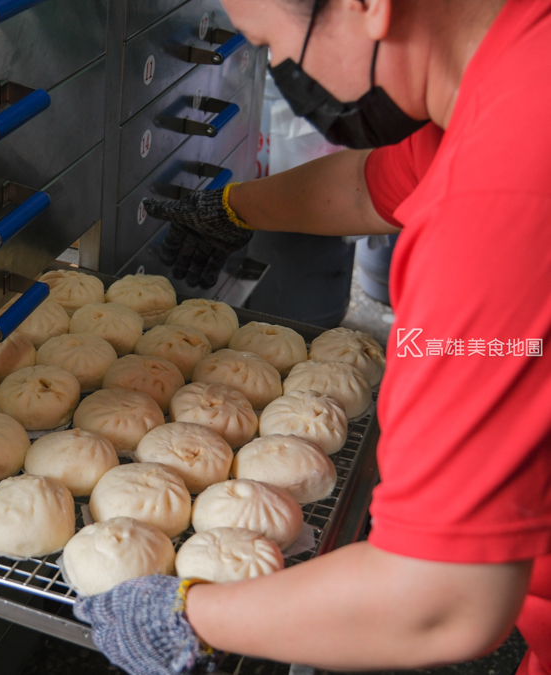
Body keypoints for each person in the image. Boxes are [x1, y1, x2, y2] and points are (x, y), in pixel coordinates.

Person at [74, 0, 551, 673]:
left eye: (267, 39)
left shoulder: (492, 209)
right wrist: (233, 208)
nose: (277, 66)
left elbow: (442, 600)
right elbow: (376, 184)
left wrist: (187, 613)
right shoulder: (518, 62)